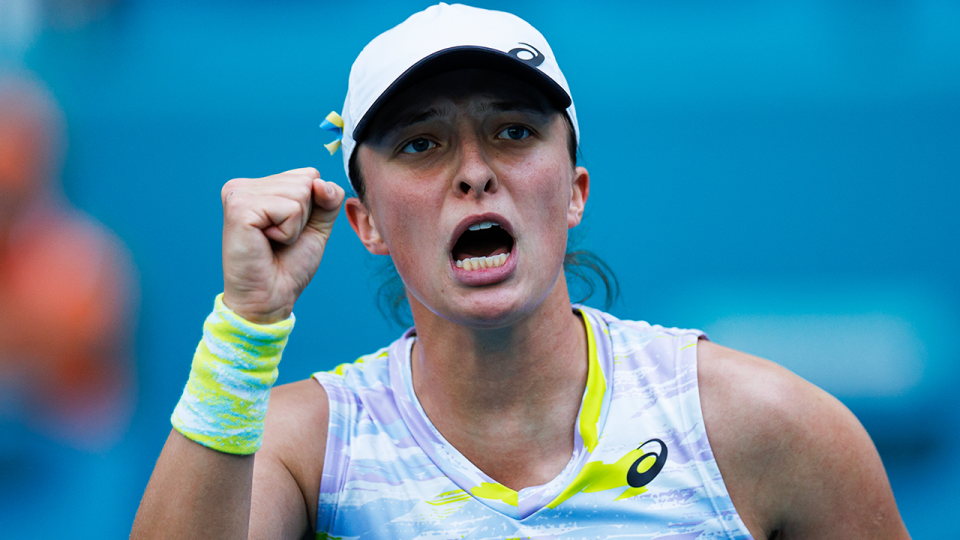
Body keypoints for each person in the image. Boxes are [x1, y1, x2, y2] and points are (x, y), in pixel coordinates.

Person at [132, 4, 910, 539]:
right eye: (421, 144)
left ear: (574, 192)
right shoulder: (300, 450)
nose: (473, 172)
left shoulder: (765, 428)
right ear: (364, 221)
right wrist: (245, 328)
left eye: (511, 131)